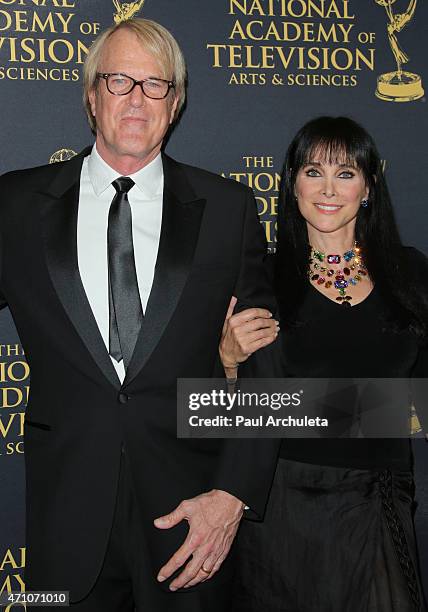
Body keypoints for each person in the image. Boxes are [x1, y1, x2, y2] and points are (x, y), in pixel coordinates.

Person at [0, 18, 280, 612]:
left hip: (192, 519)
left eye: (156, 85)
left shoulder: (226, 209)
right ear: (90, 94)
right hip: (64, 520)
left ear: (174, 104)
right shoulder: (16, 205)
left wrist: (233, 493)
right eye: (120, 80)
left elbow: (265, 364)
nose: (136, 99)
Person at [221, 117, 428, 611]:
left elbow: (422, 407)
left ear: (369, 187)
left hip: (378, 504)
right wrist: (228, 365)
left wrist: (289, 409)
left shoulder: (412, 273)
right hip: (282, 507)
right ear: (292, 186)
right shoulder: (259, 280)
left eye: (346, 172)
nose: (329, 189)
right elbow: (208, 416)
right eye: (314, 172)